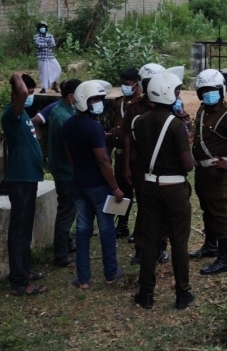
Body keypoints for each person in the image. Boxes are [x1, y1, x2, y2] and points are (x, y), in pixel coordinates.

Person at [132, 72, 196, 310]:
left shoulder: (139, 122)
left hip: (149, 186)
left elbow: (139, 156)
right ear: (168, 93)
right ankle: (182, 293)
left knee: (150, 241)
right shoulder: (176, 125)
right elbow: (188, 164)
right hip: (175, 188)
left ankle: (146, 293)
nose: (179, 96)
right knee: (179, 242)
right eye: (177, 92)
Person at [62, 81, 125, 288]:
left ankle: (83, 278)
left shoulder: (68, 125)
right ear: (83, 101)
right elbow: (103, 161)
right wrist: (115, 187)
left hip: (79, 184)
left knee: (82, 230)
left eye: (99, 99)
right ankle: (110, 273)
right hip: (98, 186)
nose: (98, 103)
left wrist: (80, 170)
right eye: (94, 100)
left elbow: (70, 155)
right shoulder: (94, 127)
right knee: (106, 228)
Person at [189, 69, 227, 275]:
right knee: (207, 209)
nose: (207, 93)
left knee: (220, 213)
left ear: (221, 89)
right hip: (201, 170)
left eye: (212, 89)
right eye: (203, 90)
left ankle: (224, 258)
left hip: (216, 172)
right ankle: (210, 245)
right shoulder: (203, 109)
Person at [1, 72, 46, 296]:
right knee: (19, 231)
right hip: (20, 179)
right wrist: (16, 75)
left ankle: (24, 270)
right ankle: (19, 282)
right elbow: (18, 91)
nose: (29, 96)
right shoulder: (12, 113)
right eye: (27, 93)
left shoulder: (24, 116)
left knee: (25, 228)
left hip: (29, 178)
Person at [123, 63, 170, 266]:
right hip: (141, 165)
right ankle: (141, 248)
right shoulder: (135, 106)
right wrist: (126, 166)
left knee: (164, 207)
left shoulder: (170, 103)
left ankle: (161, 246)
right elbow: (127, 138)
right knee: (144, 207)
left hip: (165, 165)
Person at [34, 79, 81, 268]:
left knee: (69, 210)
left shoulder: (63, 109)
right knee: (66, 212)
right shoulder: (63, 117)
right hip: (65, 172)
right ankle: (61, 256)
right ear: (71, 97)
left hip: (62, 169)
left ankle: (67, 244)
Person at [110, 68, 142, 240]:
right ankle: (122, 224)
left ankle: (140, 229)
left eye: (128, 84)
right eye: (122, 84)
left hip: (136, 155)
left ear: (136, 84)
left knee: (140, 190)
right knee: (122, 190)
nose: (124, 87)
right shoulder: (119, 102)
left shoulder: (142, 103)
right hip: (120, 154)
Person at [34, 22, 61, 93]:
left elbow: (53, 44)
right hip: (41, 57)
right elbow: (38, 45)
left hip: (50, 56)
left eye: (44, 27)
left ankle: (54, 84)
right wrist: (47, 44)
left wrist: (44, 44)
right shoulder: (36, 36)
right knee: (43, 73)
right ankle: (44, 88)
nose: (43, 28)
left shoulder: (50, 36)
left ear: (46, 28)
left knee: (58, 69)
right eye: (41, 27)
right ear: (38, 29)